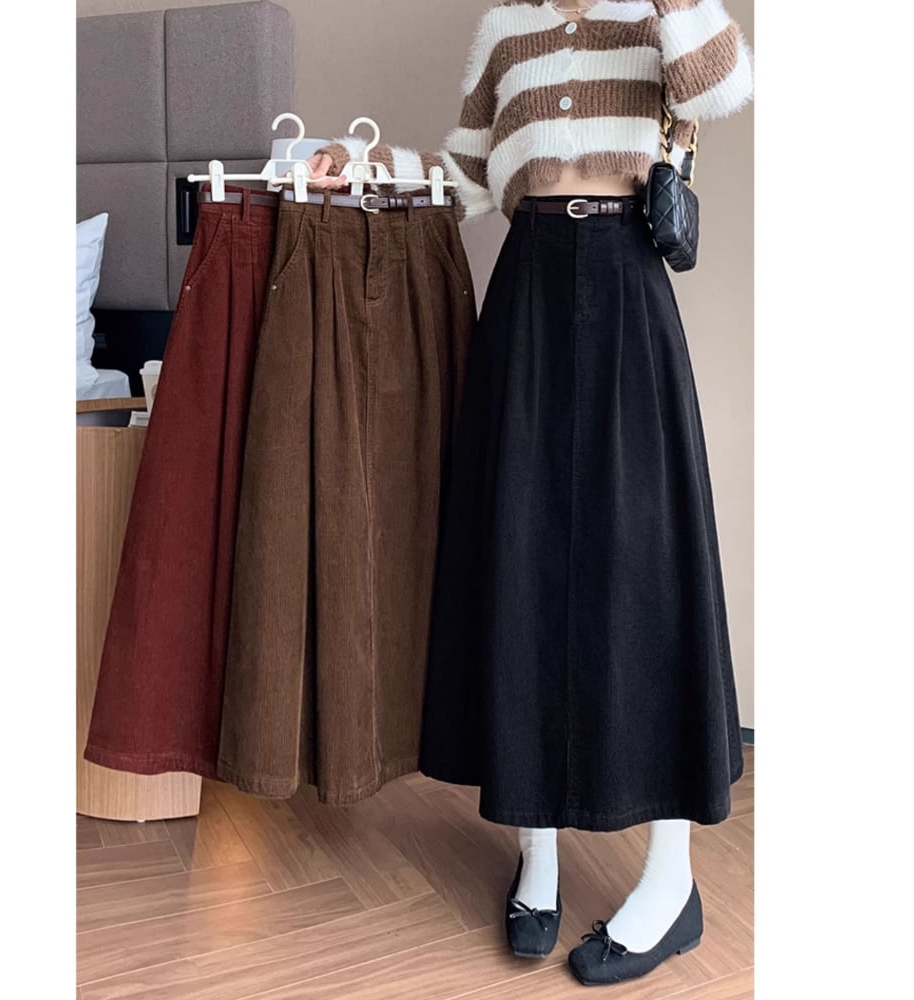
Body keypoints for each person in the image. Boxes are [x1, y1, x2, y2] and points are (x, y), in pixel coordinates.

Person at [307, 0, 753, 986]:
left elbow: (726, 86)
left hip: (630, 289)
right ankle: (536, 853)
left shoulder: (655, 18)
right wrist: (368, 165)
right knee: (523, 561)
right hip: (530, 299)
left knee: (649, 576)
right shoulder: (505, 30)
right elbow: (467, 174)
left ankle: (672, 880)